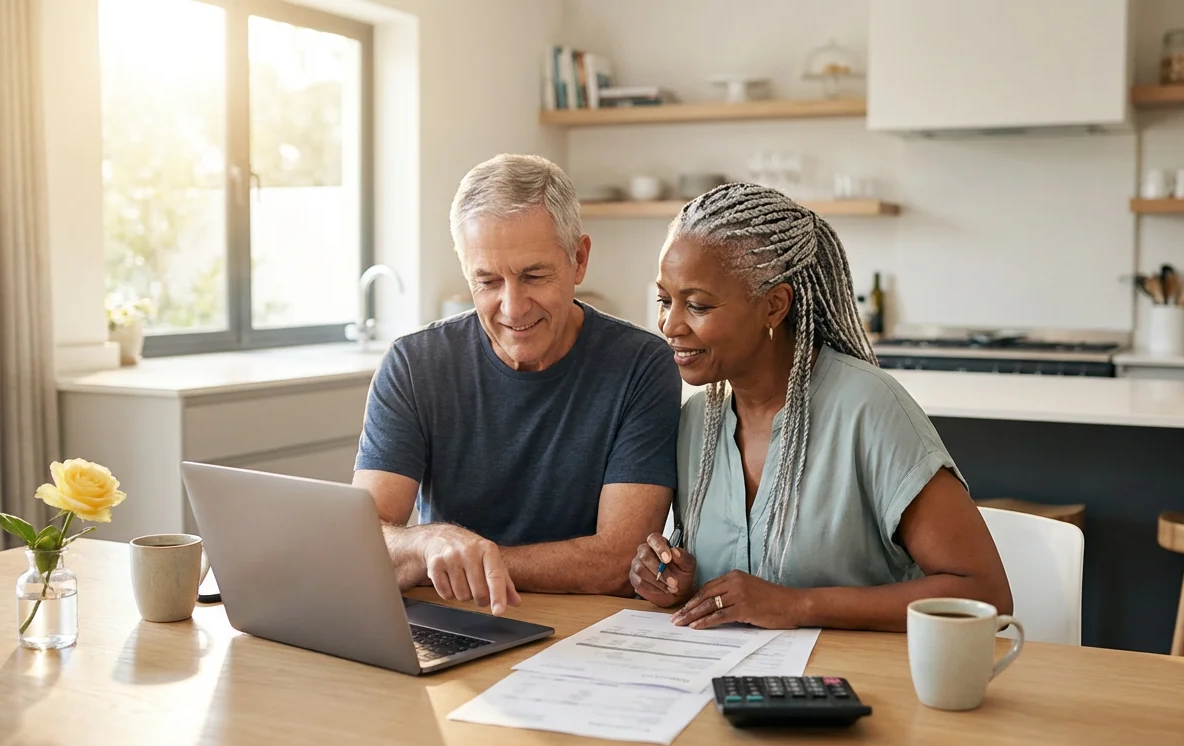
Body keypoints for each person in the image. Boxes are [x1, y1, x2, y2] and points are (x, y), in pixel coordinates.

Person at [629, 182, 1012, 631]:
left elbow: (985, 594)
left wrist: (799, 606)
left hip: (861, 687)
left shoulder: (869, 409)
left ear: (774, 306)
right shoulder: (697, 422)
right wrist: (677, 582)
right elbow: (741, 594)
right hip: (731, 686)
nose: (670, 324)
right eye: (664, 300)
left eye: (696, 305)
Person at [355, 154, 679, 616]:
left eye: (534, 275)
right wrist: (430, 540)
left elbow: (616, 560)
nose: (513, 306)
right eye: (487, 280)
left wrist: (462, 559)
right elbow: (365, 538)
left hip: (583, 626)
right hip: (454, 616)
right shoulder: (414, 363)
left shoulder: (641, 365)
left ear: (579, 259)